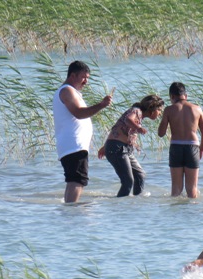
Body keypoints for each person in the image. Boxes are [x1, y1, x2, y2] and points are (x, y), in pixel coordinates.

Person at [53, 61, 112, 203]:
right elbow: (79, 113)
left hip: (74, 145)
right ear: (72, 76)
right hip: (73, 145)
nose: (86, 81)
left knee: (75, 179)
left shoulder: (72, 92)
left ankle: (69, 210)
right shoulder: (67, 91)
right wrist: (101, 105)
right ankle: (72, 211)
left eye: (88, 78)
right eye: (83, 77)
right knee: (77, 180)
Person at [97, 95, 165, 197]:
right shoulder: (136, 111)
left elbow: (117, 127)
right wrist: (138, 128)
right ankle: (120, 206)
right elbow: (128, 120)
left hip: (124, 149)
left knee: (140, 175)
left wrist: (105, 145)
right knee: (128, 181)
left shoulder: (139, 115)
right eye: (159, 110)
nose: (159, 114)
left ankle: (134, 204)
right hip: (117, 148)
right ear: (153, 109)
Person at [157, 82, 203, 198]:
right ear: (186, 95)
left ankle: (174, 215)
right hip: (193, 147)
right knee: (192, 189)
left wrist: (164, 116)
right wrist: (201, 150)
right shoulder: (197, 109)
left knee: (176, 189)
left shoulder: (169, 110)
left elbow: (161, 133)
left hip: (176, 147)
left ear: (172, 96)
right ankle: (193, 213)